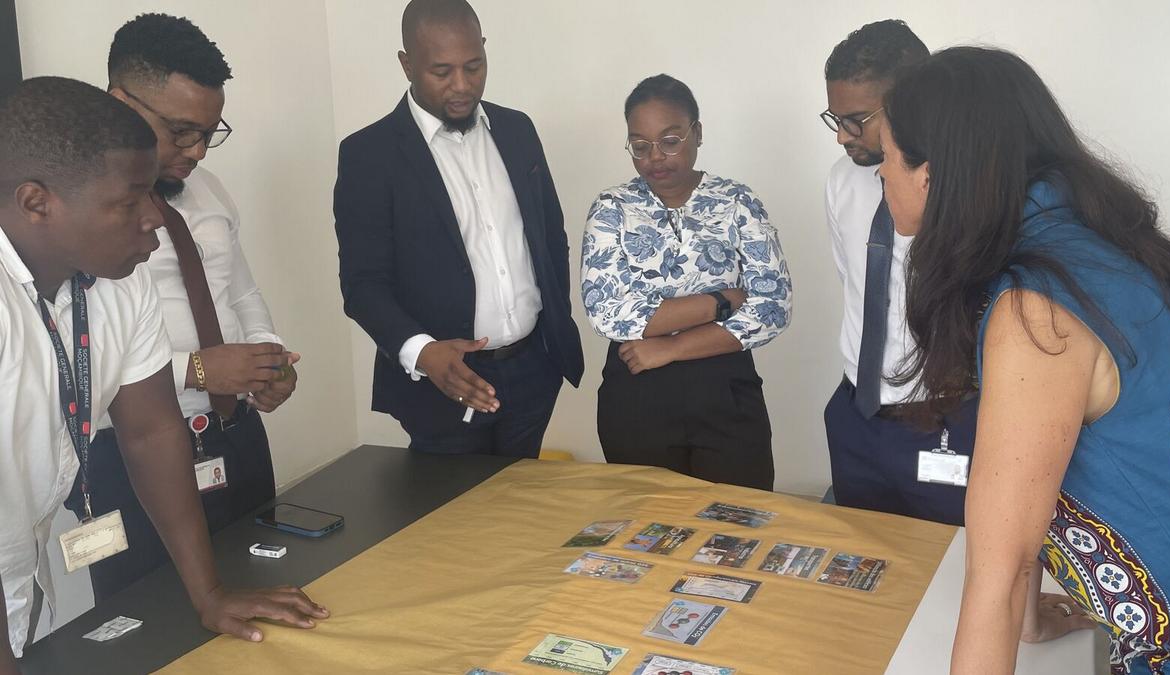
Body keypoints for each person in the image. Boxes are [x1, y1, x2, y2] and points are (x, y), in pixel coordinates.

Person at [880, 47, 1170, 672]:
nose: (883, 177)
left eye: (886, 160)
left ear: (930, 176)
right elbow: (1029, 469)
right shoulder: (1089, 242)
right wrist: (1030, 622)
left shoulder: (1038, 310)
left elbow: (997, 574)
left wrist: (1014, 610)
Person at [0, 76, 325, 670]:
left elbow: (151, 431)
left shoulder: (120, 283)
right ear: (36, 203)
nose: (154, 218)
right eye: (130, 202)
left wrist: (210, 594)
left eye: (152, 194)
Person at [62, 13, 298, 602]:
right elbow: (76, 355)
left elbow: (240, 292)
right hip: (128, 454)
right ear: (120, 103)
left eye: (210, 133)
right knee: (153, 615)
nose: (196, 151)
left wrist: (265, 360)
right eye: (181, 131)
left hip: (232, 433)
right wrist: (196, 370)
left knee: (257, 587)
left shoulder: (209, 191)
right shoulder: (79, 217)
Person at [334, 0, 583, 456]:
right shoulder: (369, 155)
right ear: (407, 64)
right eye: (442, 71)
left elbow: (550, 238)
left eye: (474, 66)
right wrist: (422, 353)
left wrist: (552, 329)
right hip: (442, 386)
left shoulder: (518, 130)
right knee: (453, 503)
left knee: (526, 498)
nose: (462, 85)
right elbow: (363, 284)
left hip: (534, 369)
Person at [582, 74, 791, 490]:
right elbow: (608, 314)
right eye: (640, 146)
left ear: (697, 133)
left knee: (736, 517)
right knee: (647, 520)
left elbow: (772, 308)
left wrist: (671, 346)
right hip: (637, 394)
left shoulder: (737, 202)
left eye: (670, 140)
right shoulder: (612, 208)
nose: (655, 157)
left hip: (724, 386)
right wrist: (722, 300)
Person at [819, 20, 981, 526]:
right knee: (864, 555)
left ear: (915, 101)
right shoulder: (842, 181)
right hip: (857, 414)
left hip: (944, 418)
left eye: (857, 120)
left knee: (951, 555)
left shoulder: (969, 190)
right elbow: (856, 284)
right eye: (835, 118)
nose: (843, 136)